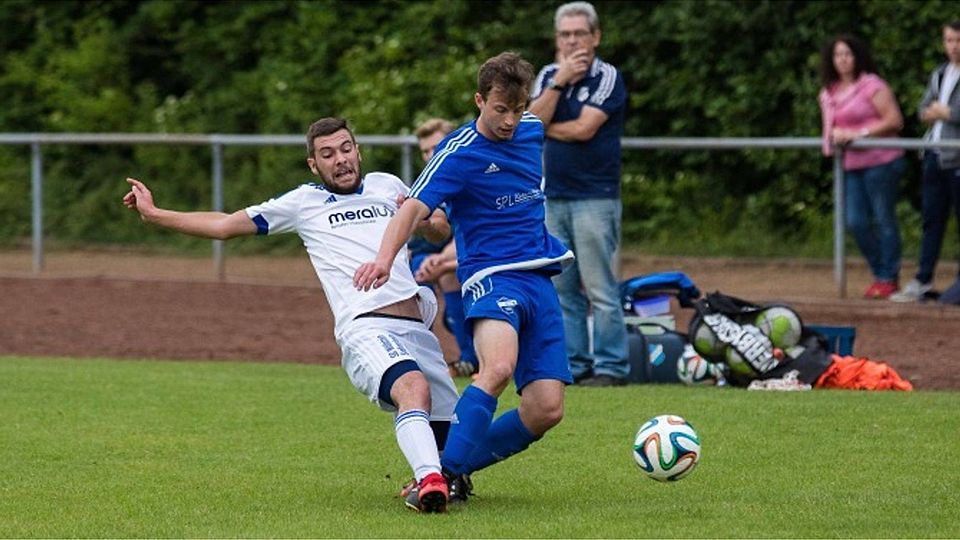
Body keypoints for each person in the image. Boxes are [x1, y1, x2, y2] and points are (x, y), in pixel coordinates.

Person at [122, 117, 460, 513]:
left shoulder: (389, 186)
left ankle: (441, 477)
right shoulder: (303, 203)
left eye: (346, 148)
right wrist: (157, 214)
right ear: (313, 165)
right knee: (412, 388)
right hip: (366, 327)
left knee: (448, 424)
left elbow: (439, 228)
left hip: (416, 327)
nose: (341, 160)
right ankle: (430, 482)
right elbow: (226, 225)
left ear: (358, 151)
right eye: (328, 154)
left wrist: (420, 221)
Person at [354, 51, 574, 505]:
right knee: (496, 368)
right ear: (479, 100)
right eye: (500, 110)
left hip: (539, 275)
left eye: (517, 109)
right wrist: (382, 259)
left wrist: (560, 83)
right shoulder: (458, 152)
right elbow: (413, 208)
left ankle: (452, 465)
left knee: (546, 409)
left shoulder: (530, 130)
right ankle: (440, 477)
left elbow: (539, 116)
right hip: (492, 277)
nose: (510, 121)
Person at [527, 1, 629, 386]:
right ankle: (575, 364)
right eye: (565, 35)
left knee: (601, 287)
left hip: (595, 198)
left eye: (579, 34)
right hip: (552, 196)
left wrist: (542, 124)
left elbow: (583, 129)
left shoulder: (608, 77)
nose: (572, 41)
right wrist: (559, 82)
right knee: (562, 287)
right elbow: (530, 122)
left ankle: (611, 368)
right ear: (557, 40)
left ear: (596, 37)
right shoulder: (548, 75)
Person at [818, 34, 907, 300]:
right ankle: (881, 271)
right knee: (855, 221)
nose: (843, 60)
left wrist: (858, 134)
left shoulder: (872, 85)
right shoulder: (829, 92)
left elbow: (894, 120)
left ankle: (888, 277)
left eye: (847, 54)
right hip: (851, 164)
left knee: (883, 218)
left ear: (857, 57)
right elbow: (831, 128)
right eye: (837, 55)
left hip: (882, 161)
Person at [891, 21, 960, 304]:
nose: (953, 46)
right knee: (932, 220)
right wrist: (940, 112)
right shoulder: (940, 73)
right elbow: (923, 109)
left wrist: (947, 112)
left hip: (956, 157)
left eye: (957, 40)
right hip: (933, 153)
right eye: (949, 40)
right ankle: (923, 278)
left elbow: (950, 112)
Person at [409, 118, 479, 376]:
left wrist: (443, 262)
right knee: (413, 271)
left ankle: (470, 357)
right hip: (445, 258)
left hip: (481, 258)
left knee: (447, 272)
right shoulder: (427, 183)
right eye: (425, 151)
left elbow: (468, 235)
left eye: (435, 147)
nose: (430, 156)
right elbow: (418, 239)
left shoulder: (470, 175)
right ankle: (422, 359)